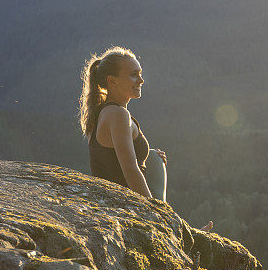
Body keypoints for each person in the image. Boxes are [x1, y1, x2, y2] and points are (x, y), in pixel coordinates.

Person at [78, 46, 213, 232]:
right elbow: (130, 170)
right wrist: (156, 214)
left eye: (140, 73)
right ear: (112, 81)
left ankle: (182, 229)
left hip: (116, 197)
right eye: (133, 75)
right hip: (122, 203)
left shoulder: (104, 111)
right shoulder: (118, 115)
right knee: (152, 166)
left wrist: (149, 156)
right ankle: (179, 230)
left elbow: (112, 159)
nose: (141, 80)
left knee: (154, 157)